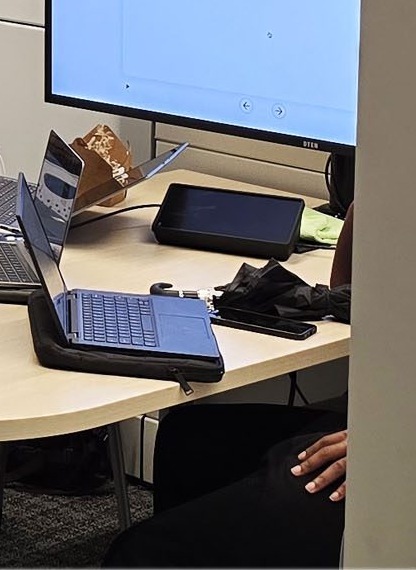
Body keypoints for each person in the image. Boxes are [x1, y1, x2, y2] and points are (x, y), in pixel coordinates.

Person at [102, 209, 357, 568]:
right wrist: (374, 187)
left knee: (140, 552)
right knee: (187, 435)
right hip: (366, 422)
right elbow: (347, 292)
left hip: (409, 453)